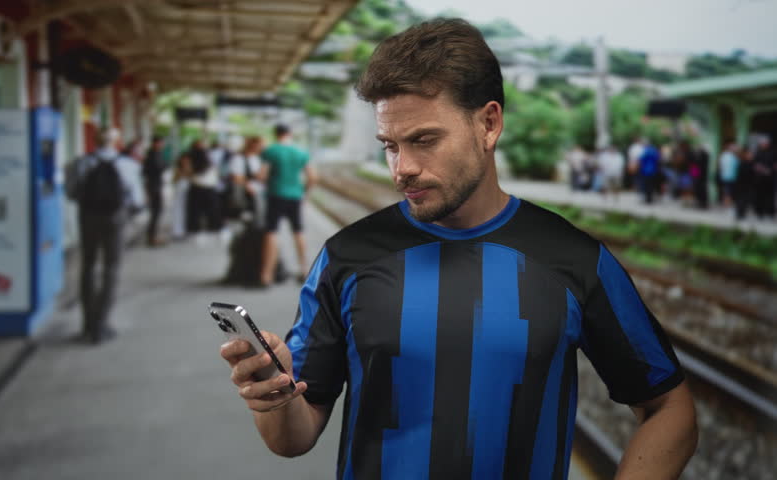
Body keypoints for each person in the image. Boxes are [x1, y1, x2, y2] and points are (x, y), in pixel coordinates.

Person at [219, 18, 697, 479]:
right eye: (389, 145)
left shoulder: (573, 258)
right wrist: (277, 397)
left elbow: (668, 409)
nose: (401, 167)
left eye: (424, 140)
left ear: (488, 124)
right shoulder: (347, 256)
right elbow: (292, 439)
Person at [65, 127, 144, 344]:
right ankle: (102, 324)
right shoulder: (128, 164)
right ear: (116, 141)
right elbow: (136, 199)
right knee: (111, 267)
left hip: (88, 216)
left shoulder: (81, 163)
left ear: (95, 141)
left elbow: (71, 192)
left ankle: (88, 323)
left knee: (88, 266)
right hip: (115, 218)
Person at [257, 124, 316, 286]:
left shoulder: (270, 151)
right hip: (295, 196)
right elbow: (312, 177)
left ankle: (266, 275)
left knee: (271, 232)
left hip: (275, 195)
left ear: (276, 134)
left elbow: (261, 175)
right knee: (298, 231)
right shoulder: (301, 152)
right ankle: (304, 270)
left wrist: (269, 182)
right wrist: (304, 192)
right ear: (290, 134)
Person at [142, 135, 167, 246]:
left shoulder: (155, 154)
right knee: (156, 211)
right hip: (154, 186)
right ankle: (152, 236)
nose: (162, 145)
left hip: (155, 185)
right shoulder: (152, 155)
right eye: (161, 143)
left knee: (157, 211)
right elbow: (158, 167)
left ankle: (153, 235)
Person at [752, 135, 776, 219]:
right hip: (760, 179)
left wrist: (772, 168)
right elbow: (754, 164)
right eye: (763, 143)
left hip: (770, 178)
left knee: (769, 196)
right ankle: (759, 212)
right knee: (759, 196)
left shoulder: (773, 152)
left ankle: (770, 212)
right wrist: (760, 168)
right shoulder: (757, 153)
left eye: (766, 143)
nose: (764, 144)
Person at [170, 152, 191, 240]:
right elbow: (174, 180)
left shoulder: (189, 167)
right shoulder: (177, 169)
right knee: (178, 211)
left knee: (184, 211)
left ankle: (182, 230)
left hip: (185, 190)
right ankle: (177, 231)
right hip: (179, 190)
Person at [718, 139, 739, 207]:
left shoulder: (728, 155)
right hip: (728, 176)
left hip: (729, 176)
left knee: (728, 190)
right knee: (727, 190)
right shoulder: (728, 156)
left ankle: (727, 202)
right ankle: (727, 202)